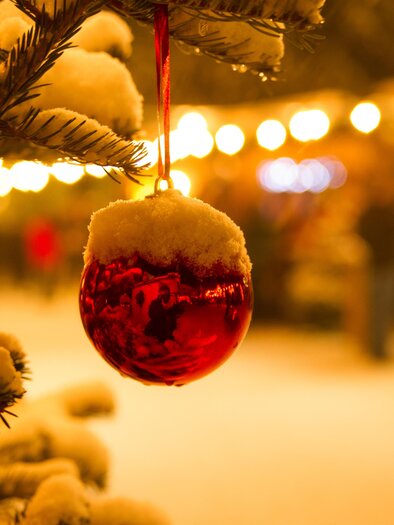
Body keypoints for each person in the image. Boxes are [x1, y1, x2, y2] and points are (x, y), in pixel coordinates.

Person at [357, 186, 394, 359]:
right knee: (380, 306)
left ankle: (376, 346)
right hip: (382, 263)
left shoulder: (374, 213)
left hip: (378, 262)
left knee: (378, 306)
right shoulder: (380, 213)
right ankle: (376, 347)